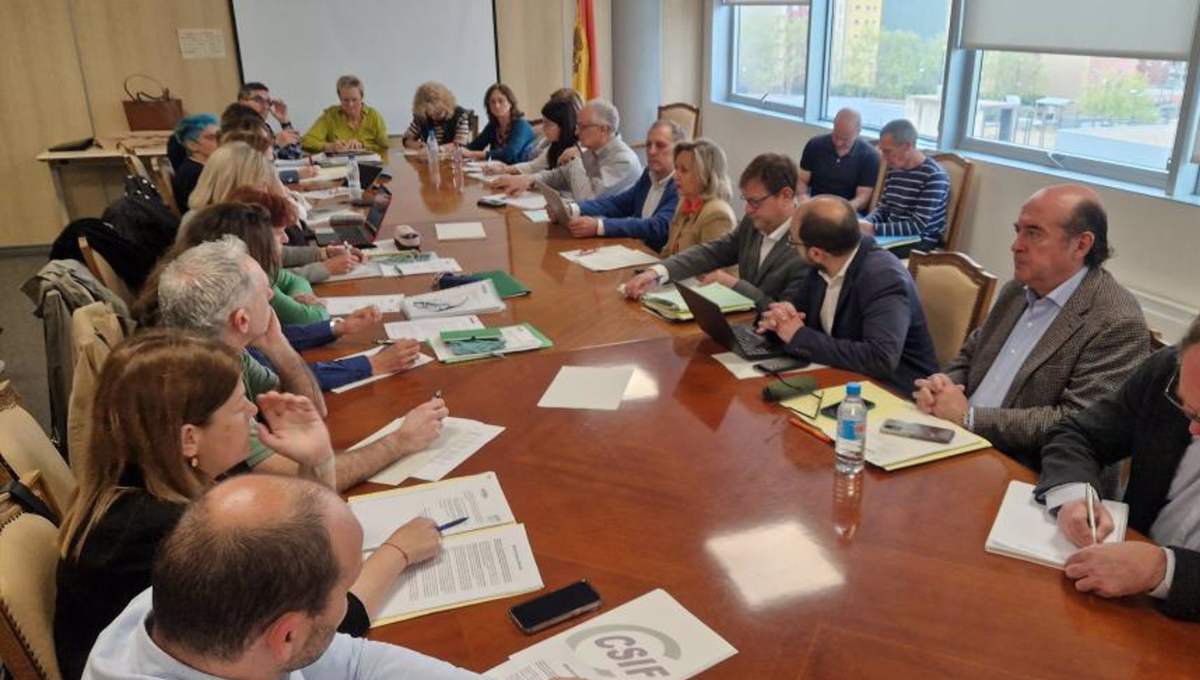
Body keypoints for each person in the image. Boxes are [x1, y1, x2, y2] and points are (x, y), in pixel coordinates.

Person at [54, 332, 443, 680]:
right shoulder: (173, 531)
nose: (254, 411)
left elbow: (308, 554)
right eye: (239, 407)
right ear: (189, 438)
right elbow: (315, 632)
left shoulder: (155, 482)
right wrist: (397, 553)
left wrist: (316, 459)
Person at [79, 472, 487, 680]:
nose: (348, 600)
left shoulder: (173, 606)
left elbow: (353, 662)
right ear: (286, 636)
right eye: (345, 589)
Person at [155, 236, 447, 490]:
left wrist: (276, 343)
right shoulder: (208, 386)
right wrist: (402, 440)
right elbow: (306, 481)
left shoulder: (225, 348)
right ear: (241, 321)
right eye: (264, 291)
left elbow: (309, 409)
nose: (272, 294)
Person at [913, 185, 1149, 468]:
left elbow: (1077, 423)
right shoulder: (1016, 290)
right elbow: (970, 356)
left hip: (1028, 468)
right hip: (957, 440)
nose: (1016, 245)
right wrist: (941, 386)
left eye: (1034, 233)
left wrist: (969, 418)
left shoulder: (1117, 321)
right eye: (1018, 231)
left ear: (1081, 245)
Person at [1032, 315, 1200, 621]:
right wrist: (1074, 494)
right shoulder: (1169, 371)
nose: (1194, 431)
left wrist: (1165, 570)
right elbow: (1079, 435)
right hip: (1120, 604)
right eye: (1190, 411)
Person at [174, 201, 420, 389]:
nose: (286, 239)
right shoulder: (226, 320)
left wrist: (338, 327)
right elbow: (288, 379)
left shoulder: (222, 294)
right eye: (276, 234)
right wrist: (372, 364)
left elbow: (276, 336)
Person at [757, 195, 938, 391]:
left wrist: (799, 336)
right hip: (842, 377)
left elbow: (880, 358)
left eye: (793, 242)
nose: (793, 247)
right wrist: (778, 319)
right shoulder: (823, 264)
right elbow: (795, 314)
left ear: (816, 253)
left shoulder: (883, 277)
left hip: (896, 392)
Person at [623, 153, 808, 310]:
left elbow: (785, 314)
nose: (748, 210)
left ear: (786, 195)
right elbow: (712, 252)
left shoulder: (806, 245)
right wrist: (656, 273)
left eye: (755, 202)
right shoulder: (753, 223)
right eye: (746, 200)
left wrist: (733, 285)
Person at [563, 119, 684, 252]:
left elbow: (657, 225)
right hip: (635, 250)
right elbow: (618, 204)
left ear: (678, 151)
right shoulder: (648, 175)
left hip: (657, 257)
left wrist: (599, 226)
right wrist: (573, 208)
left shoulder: (681, 185)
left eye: (660, 145)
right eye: (648, 145)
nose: (652, 151)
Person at [493, 98, 641, 201]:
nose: (576, 132)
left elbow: (587, 198)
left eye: (582, 127)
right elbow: (561, 175)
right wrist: (529, 180)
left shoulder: (623, 161)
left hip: (613, 232)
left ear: (604, 129)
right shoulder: (592, 150)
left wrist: (575, 160)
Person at [860, 118, 949, 254]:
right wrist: (865, 223)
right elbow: (884, 208)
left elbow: (918, 226)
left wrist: (873, 228)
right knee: (846, 240)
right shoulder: (895, 169)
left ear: (907, 146)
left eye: (888, 151)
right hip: (891, 236)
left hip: (920, 241)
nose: (884, 157)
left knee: (861, 251)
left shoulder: (934, 175)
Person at [658, 138, 735, 257]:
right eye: (676, 168)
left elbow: (711, 266)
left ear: (705, 174)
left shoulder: (718, 214)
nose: (675, 176)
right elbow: (668, 252)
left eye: (684, 170)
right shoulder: (685, 202)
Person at [798, 108, 879, 213]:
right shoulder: (815, 144)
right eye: (835, 136)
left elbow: (862, 198)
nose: (839, 143)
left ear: (858, 132)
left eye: (845, 139)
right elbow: (802, 179)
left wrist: (841, 211)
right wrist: (803, 196)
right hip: (816, 203)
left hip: (847, 209)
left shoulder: (869, 155)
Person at [491, 96, 579, 176]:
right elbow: (534, 166)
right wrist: (503, 169)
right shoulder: (555, 145)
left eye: (548, 124)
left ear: (564, 126)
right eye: (543, 122)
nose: (543, 128)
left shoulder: (576, 151)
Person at [302, 75, 389, 155]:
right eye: (345, 100)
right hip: (339, 165)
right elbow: (306, 141)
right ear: (339, 98)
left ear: (361, 97)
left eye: (354, 100)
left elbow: (385, 145)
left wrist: (363, 145)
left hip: (371, 164)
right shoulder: (330, 116)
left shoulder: (374, 116)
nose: (350, 104)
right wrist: (331, 146)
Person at [462, 83, 534, 164]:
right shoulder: (493, 126)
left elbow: (509, 154)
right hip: (495, 169)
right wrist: (459, 149)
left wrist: (472, 154)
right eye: (492, 102)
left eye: (500, 101)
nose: (496, 105)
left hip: (517, 170)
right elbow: (474, 147)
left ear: (510, 103)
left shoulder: (521, 125)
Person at [168, 113, 219, 215]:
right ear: (192, 145)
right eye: (212, 138)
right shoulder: (193, 173)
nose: (220, 141)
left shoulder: (200, 168)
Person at [237, 81, 302, 159]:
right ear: (242, 103)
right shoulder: (235, 129)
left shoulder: (265, 128)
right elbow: (251, 162)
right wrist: (276, 144)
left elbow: (294, 156)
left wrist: (285, 121)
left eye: (268, 102)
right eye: (258, 100)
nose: (266, 107)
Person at [401, 81, 471, 150]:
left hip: (453, 157)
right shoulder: (422, 117)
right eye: (430, 114)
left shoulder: (460, 115)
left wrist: (437, 149)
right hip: (428, 157)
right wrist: (417, 145)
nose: (434, 117)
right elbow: (406, 140)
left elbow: (460, 144)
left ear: (446, 105)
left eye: (438, 112)